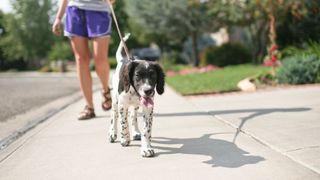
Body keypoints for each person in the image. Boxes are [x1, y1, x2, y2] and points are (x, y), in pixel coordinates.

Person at [52, 0, 115, 120]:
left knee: (100, 59)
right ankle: (89, 107)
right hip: (74, 10)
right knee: (81, 60)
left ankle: (106, 90)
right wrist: (58, 17)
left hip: (99, 10)